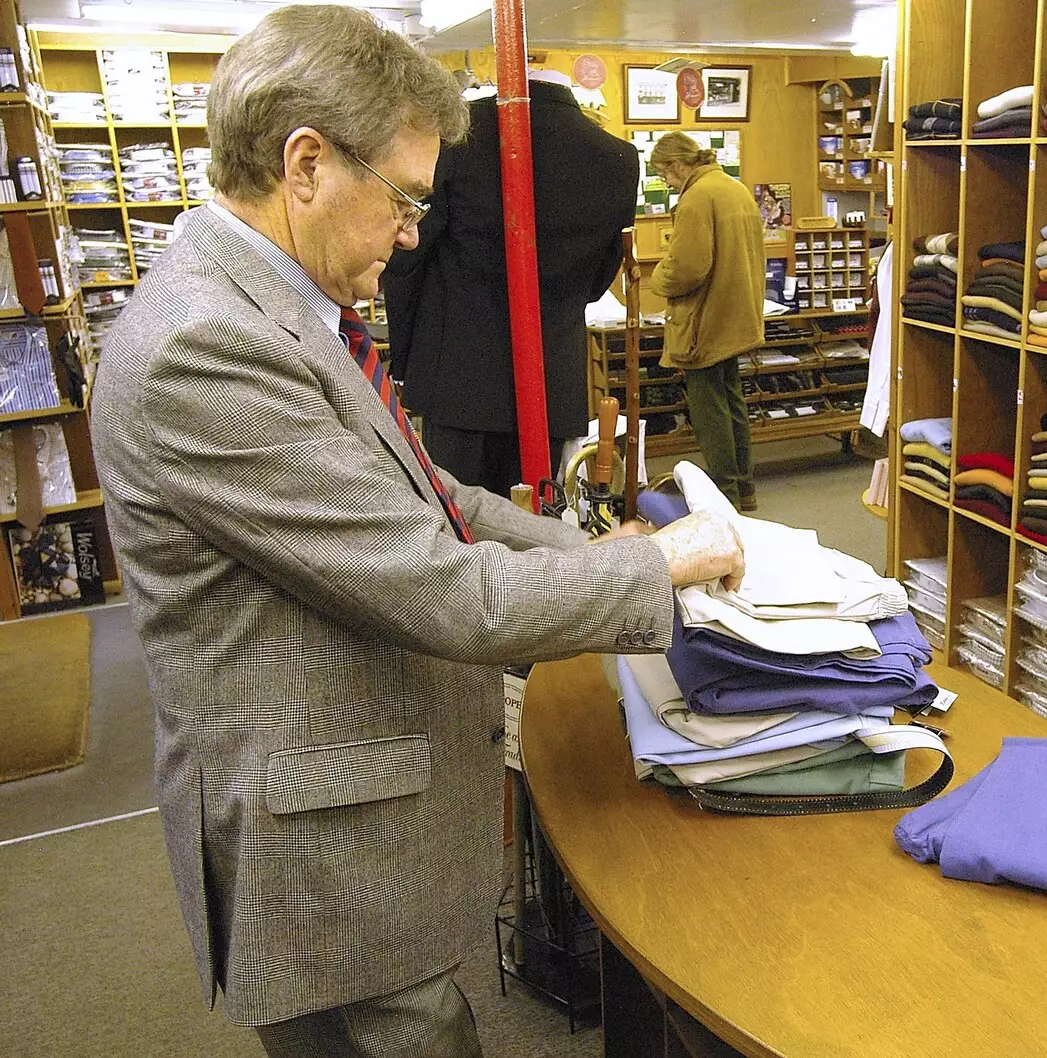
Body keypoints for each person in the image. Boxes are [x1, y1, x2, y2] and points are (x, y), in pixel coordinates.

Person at [88, 8, 742, 1056]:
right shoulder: (205, 347)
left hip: (353, 817)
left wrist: (595, 552)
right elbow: (445, 588)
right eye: (402, 199)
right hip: (324, 859)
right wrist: (660, 565)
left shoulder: (275, 307)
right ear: (305, 164)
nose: (409, 233)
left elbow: (428, 491)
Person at [385, 68, 640, 494]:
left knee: (459, 526)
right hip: (553, 378)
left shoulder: (454, 142)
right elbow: (598, 282)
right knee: (537, 527)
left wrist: (406, 364)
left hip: (456, 377)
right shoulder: (616, 158)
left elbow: (409, 258)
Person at [648, 132, 765, 511]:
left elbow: (687, 268)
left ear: (680, 164)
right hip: (736, 314)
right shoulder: (735, 189)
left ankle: (725, 494)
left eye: (664, 172)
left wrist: (657, 278)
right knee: (732, 401)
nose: (665, 180)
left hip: (705, 321)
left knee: (708, 410)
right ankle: (743, 486)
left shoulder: (696, 198)